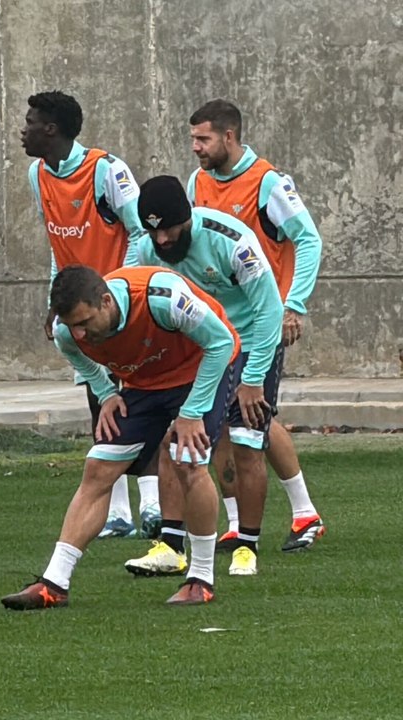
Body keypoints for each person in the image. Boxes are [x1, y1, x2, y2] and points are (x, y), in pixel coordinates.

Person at [0, 264, 240, 610]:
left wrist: (191, 412)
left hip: (203, 370)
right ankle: (54, 583)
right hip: (145, 383)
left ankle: (201, 580)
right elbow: (77, 356)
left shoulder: (163, 299)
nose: (80, 334)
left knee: (187, 461)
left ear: (106, 301)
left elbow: (221, 343)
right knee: (98, 468)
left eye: (85, 322)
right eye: (72, 325)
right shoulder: (66, 332)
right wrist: (106, 392)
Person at [123, 176, 284, 578]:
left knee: (246, 442)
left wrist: (253, 378)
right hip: (200, 348)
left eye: (169, 230)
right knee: (175, 439)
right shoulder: (145, 249)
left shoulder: (233, 241)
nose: (162, 240)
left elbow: (269, 310)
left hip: (249, 341)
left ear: (187, 218)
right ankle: (170, 546)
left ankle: (246, 545)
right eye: (154, 231)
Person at [187, 99, 326, 552]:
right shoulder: (197, 183)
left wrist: (292, 305)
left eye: (203, 139)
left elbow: (308, 239)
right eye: (193, 139)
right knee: (231, 425)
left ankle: (302, 514)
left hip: (261, 323)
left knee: (251, 423)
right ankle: (241, 522)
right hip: (216, 330)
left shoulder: (267, 182)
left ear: (228, 136)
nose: (196, 147)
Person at [22, 90, 158, 539]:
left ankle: (153, 505)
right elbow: (57, 243)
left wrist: (118, 290)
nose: (23, 130)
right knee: (101, 400)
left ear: (51, 129)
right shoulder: (38, 174)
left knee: (140, 397)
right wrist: (54, 298)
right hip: (79, 309)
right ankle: (118, 513)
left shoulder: (106, 170)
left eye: (30, 122)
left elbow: (140, 231)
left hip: (116, 306)